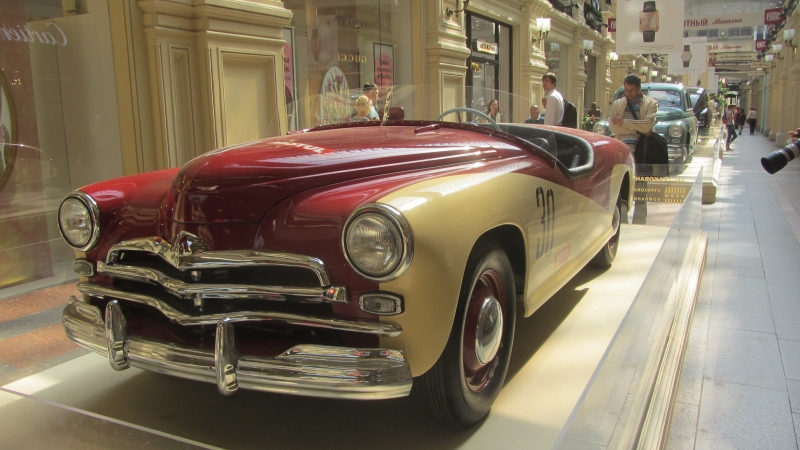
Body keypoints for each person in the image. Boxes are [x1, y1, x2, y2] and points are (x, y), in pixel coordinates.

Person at [609, 74, 658, 225]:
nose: (628, 93)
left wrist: (624, 122)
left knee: (641, 192)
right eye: (626, 89)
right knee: (622, 188)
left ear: (639, 88)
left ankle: (640, 224)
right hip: (623, 152)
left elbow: (648, 126)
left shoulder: (651, 104)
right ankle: (622, 223)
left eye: (632, 90)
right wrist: (638, 127)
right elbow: (613, 127)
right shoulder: (618, 104)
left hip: (642, 151)